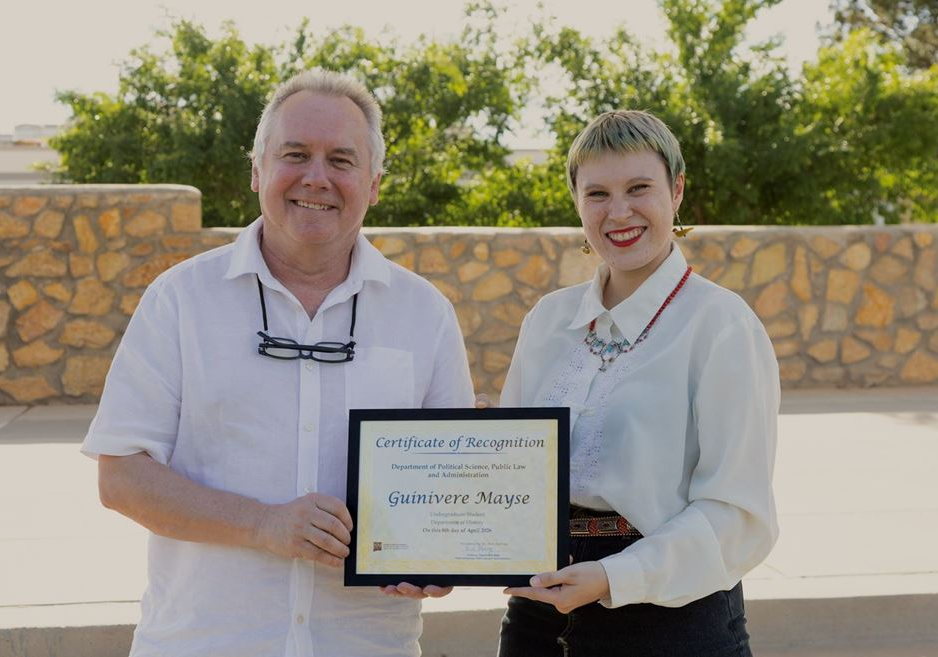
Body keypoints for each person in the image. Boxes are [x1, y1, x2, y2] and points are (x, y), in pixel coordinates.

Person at [81, 69, 474, 657]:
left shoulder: (426, 313)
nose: (316, 177)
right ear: (257, 170)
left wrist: (443, 558)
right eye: (295, 154)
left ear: (373, 184)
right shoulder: (180, 299)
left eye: (341, 160)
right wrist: (263, 524)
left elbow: (450, 493)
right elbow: (121, 478)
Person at [495, 110, 780, 656]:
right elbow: (518, 483)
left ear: (677, 190)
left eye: (638, 188)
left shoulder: (721, 325)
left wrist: (614, 576)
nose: (618, 211)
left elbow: (739, 515)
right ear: (577, 202)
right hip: (536, 618)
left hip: (670, 622)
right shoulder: (548, 320)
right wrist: (481, 454)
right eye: (597, 193)